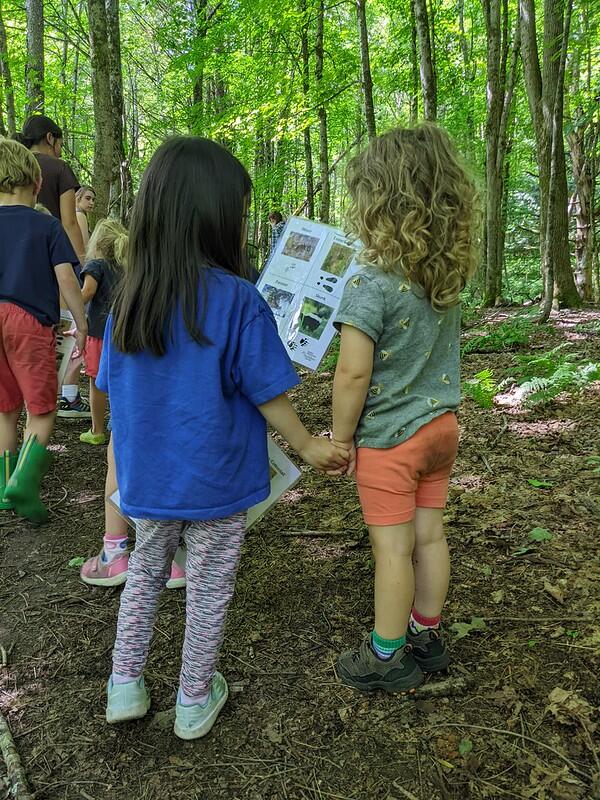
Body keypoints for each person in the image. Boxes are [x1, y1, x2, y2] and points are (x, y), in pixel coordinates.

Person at [98, 136, 348, 738]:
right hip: (217, 481)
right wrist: (310, 445)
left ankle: (124, 685)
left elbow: (110, 390)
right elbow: (268, 393)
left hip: (149, 481)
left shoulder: (129, 299)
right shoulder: (238, 300)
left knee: (145, 575)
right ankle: (191, 699)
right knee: (208, 590)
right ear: (213, 218)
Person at [331, 124, 481, 693]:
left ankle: (387, 655)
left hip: (391, 439)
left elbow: (352, 371)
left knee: (391, 549)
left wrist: (343, 438)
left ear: (377, 202)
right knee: (429, 536)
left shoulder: (369, 281)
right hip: (443, 429)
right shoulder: (442, 276)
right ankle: (427, 632)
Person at [0, 139, 87, 523]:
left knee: (4, 410)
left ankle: (4, 489)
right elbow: (67, 279)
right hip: (28, 321)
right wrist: (82, 324)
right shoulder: (46, 225)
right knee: (42, 408)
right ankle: (23, 483)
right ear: (36, 183)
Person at [16, 114, 91, 419]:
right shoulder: (59, 168)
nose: (61, 148)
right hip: (52, 255)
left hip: (15, 258)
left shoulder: (14, 164)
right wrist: (83, 262)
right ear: (50, 138)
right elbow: (70, 221)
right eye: (60, 141)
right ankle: (62, 394)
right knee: (66, 323)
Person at [78, 219, 127, 446]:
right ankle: (119, 424)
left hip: (99, 333)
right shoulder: (127, 267)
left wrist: (69, 306)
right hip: (124, 332)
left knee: (97, 382)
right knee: (121, 379)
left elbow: (87, 292)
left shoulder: (96, 266)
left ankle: (97, 430)